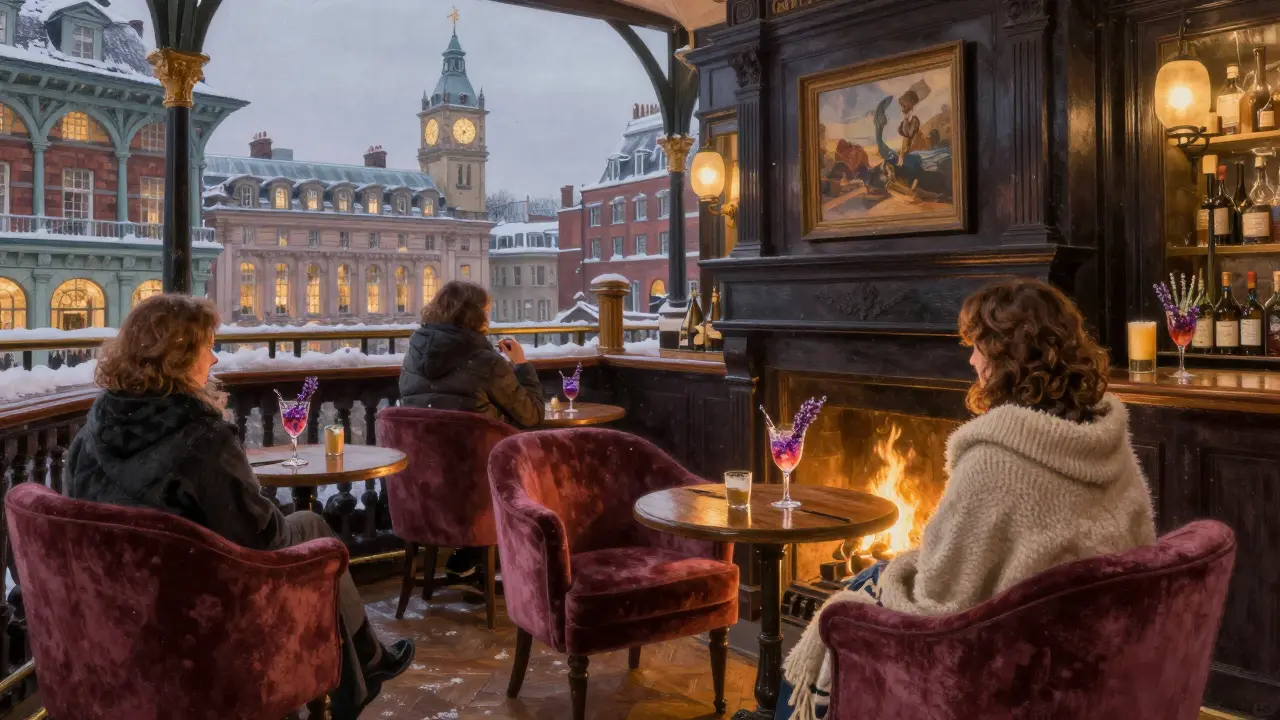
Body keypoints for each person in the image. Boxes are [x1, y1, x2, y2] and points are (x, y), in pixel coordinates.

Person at [777, 278, 1157, 719]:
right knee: (872, 578)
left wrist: (879, 584)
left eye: (978, 345)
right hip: (1092, 653)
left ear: (1007, 356)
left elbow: (938, 597)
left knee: (843, 609)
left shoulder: (996, 463)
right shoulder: (1107, 441)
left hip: (1004, 668)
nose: (972, 358)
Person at [64, 294, 414, 720]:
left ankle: (368, 657)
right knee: (311, 527)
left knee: (305, 526)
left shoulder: (93, 427)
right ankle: (364, 660)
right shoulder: (202, 437)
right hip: (201, 608)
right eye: (206, 347)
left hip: (114, 606)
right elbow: (263, 540)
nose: (213, 359)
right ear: (176, 356)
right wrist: (255, 497)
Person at [399, 280, 545, 582]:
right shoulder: (486, 361)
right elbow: (531, 415)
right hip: (475, 485)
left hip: (420, 481)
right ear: (475, 315)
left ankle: (469, 554)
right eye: (486, 311)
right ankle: (529, 562)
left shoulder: (413, 354)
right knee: (538, 466)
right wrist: (520, 364)